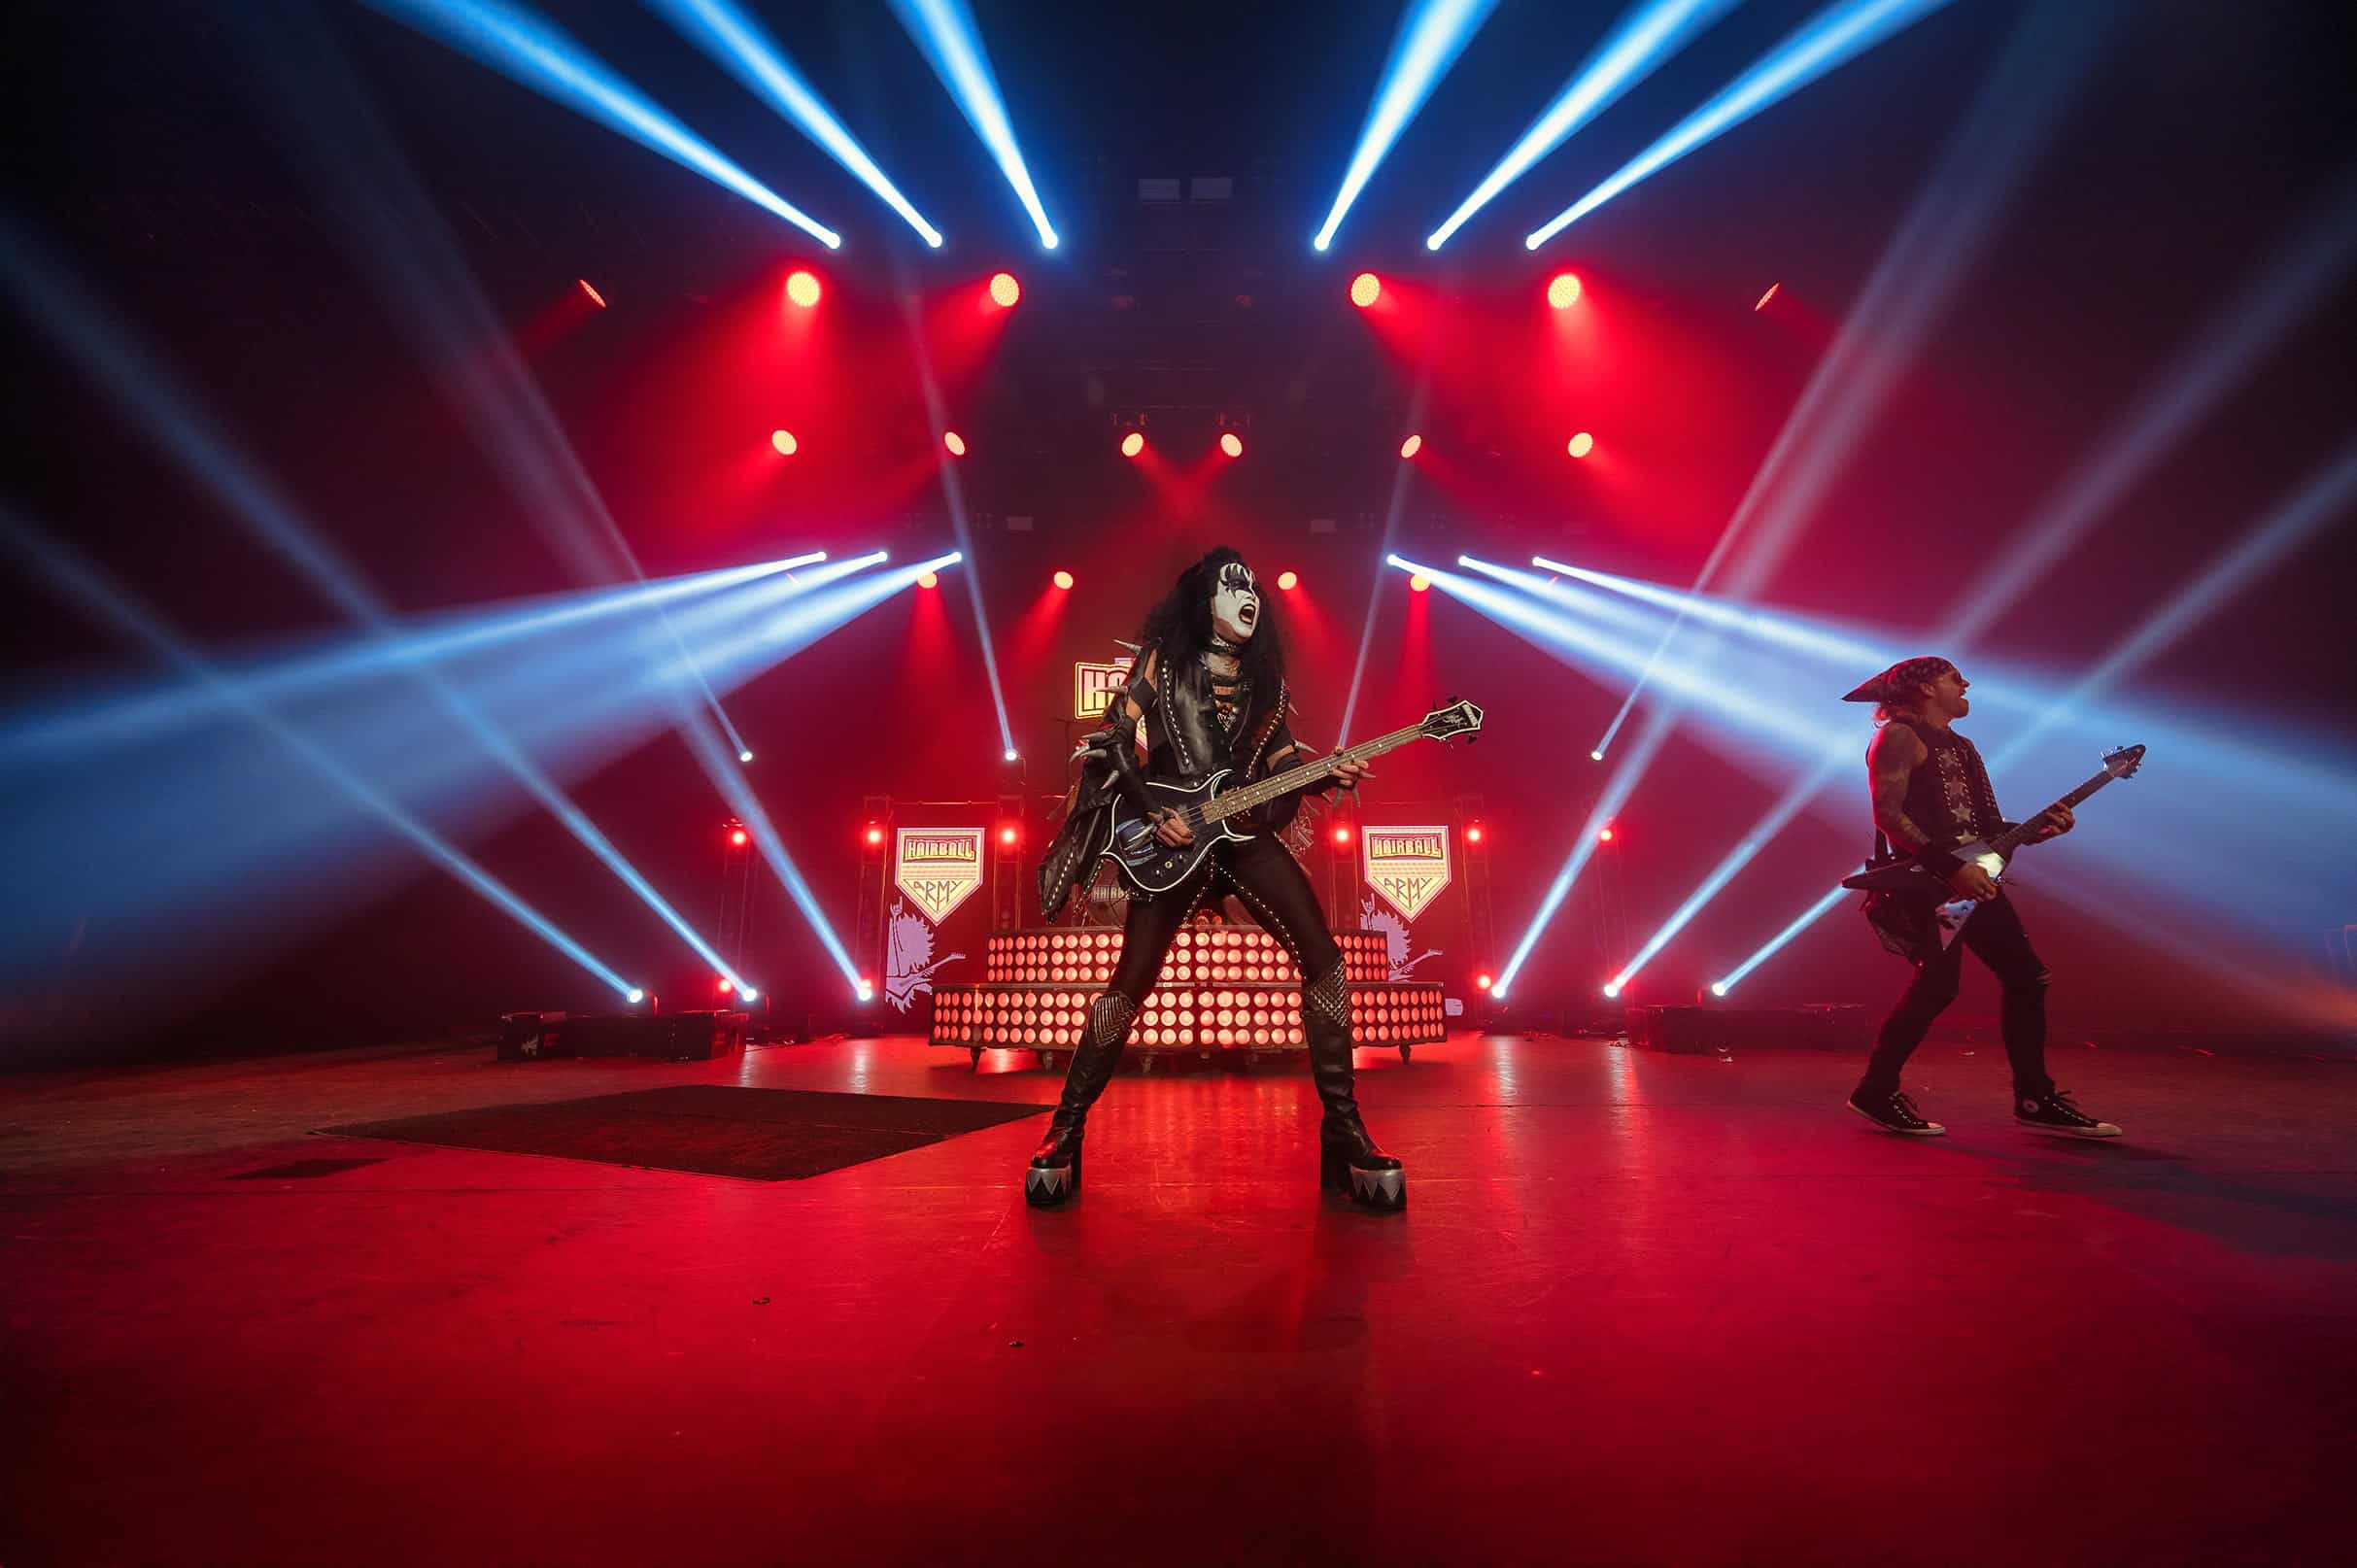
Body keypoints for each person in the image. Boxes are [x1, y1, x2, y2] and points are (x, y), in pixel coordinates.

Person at [1030, 548, 1403, 1210]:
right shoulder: (1161, 660)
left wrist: (1324, 775)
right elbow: (1113, 739)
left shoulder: (1267, 685)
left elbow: (1280, 771)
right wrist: (1152, 810)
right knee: (1130, 983)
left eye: (1254, 587)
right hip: (1172, 837)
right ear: (1205, 601)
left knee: (1325, 961)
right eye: (1234, 585)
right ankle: (1067, 1125)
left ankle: (1344, 1128)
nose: (1249, 594)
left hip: (1242, 837)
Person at [1842, 656, 2121, 1139]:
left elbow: (1988, 829)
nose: (1966, 683)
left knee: (2026, 978)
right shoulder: (1898, 737)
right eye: (1954, 677)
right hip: (1931, 883)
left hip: (1971, 880)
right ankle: (1875, 1091)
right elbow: (1888, 815)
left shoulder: (1963, 747)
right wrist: (1953, 869)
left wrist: (2041, 829)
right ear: (1925, 688)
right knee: (1938, 986)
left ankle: (2034, 1098)